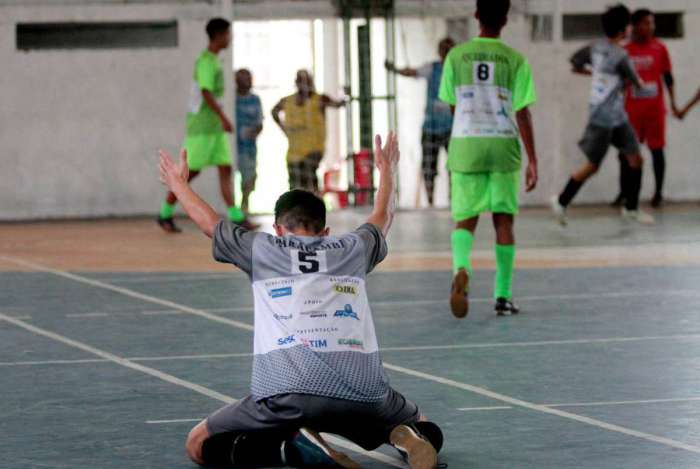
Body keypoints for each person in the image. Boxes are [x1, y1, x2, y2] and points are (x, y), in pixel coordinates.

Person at [158, 133, 443, 469]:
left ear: (279, 229)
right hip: (366, 393)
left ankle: (291, 449)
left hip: (289, 393)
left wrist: (179, 184)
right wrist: (387, 171)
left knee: (198, 445)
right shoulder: (353, 248)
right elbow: (383, 215)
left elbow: (210, 224)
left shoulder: (262, 250)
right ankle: (403, 434)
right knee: (425, 426)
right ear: (325, 231)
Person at [439, 0, 538, 318]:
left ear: (477, 15)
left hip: (467, 144)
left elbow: (453, 105)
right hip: (502, 145)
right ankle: (503, 296)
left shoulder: (456, 56)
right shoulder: (515, 59)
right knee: (503, 221)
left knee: (465, 218)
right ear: (506, 19)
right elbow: (522, 110)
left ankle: (461, 268)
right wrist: (533, 159)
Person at [551, 4, 654, 226]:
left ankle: (631, 208)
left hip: (618, 117)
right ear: (623, 29)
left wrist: (595, 73)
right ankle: (561, 201)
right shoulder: (622, 55)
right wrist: (648, 86)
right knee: (592, 166)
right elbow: (638, 85)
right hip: (603, 119)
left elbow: (575, 63)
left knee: (635, 158)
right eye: (628, 25)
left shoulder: (595, 47)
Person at [157, 18, 252, 233]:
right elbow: (206, 92)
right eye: (227, 34)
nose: (230, 38)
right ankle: (164, 214)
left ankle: (236, 216)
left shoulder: (215, 60)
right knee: (189, 174)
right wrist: (224, 117)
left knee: (225, 168)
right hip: (201, 128)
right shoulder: (206, 61)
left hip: (214, 130)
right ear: (218, 35)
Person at [612, 8, 679, 209]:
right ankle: (624, 193)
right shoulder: (624, 50)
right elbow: (617, 81)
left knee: (657, 150)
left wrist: (674, 103)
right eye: (646, 23)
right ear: (636, 25)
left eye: (652, 23)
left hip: (654, 111)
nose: (651, 27)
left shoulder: (660, 48)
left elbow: (668, 77)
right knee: (626, 154)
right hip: (631, 111)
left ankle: (658, 193)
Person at [385, 37, 456, 206]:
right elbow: (412, 72)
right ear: (440, 52)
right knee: (429, 168)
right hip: (430, 127)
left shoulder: (457, 71)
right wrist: (395, 70)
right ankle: (430, 200)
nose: (446, 53)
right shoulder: (432, 69)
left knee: (455, 167)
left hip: (451, 128)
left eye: (449, 49)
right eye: (444, 50)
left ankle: (454, 199)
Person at [272, 70, 346, 193]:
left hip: (314, 148)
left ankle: (314, 204)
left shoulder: (320, 99)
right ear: (296, 82)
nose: (304, 84)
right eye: (301, 80)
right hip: (294, 150)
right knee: (295, 182)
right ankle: (297, 207)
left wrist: (344, 94)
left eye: (307, 81)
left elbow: (338, 104)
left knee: (309, 175)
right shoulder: (288, 101)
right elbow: (274, 111)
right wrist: (283, 128)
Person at [234, 68, 263, 216]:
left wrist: (254, 133)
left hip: (249, 147)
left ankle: (245, 203)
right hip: (233, 147)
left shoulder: (255, 100)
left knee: (250, 177)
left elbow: (260, 124)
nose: (248, 82)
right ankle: (233, 208)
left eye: (249, 79)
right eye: (244, 79)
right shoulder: (231, 99)